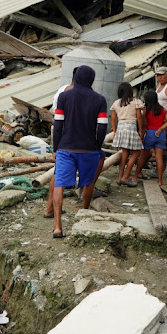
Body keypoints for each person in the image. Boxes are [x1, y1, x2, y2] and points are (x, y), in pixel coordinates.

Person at [51, 66, 109, 238]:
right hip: (88, 149)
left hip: (66, 148)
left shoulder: (64, 96)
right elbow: (102, 127)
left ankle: (57, 228)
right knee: (88, 182)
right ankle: (83, 214)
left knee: (59, 184)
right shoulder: (100, 99)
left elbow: (58, 125)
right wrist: (97, 146)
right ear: (92, 79)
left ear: (75, 77)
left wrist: (56, 148)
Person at [134, 90, 167, 186]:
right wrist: (160, 129)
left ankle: (135, 175)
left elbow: (144, 125)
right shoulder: (163, 109)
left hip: (150, 133)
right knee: (159, 158)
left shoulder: (147, 111)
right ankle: (160, 181)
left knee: (143, 156)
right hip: (161, 135)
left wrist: (142, 135)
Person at [111, 82, 145, 187]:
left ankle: (119, 177)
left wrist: (115, 131)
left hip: (121, 127)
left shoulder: (117, 103)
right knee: (136, 152)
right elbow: (139, 118)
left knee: (124, 153)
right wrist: (141, 130)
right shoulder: (136, 102)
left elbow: (113, 118)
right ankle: (126, 176)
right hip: (131, 127)